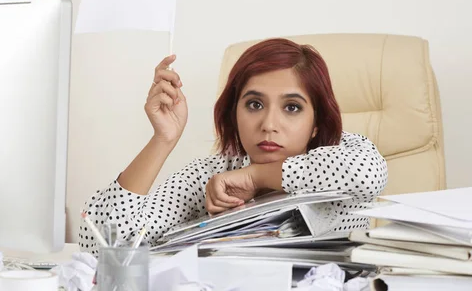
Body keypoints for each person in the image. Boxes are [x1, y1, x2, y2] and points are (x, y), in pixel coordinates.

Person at [79, 38, 388, 256]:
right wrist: (163, 139)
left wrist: (255, 178)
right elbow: (102, 245)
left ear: (316, 122)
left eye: (292, 108)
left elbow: (367, 173)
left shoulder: (342, 155)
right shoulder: (210, 176)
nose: (269, 124)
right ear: (233, 113)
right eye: (254, 104)